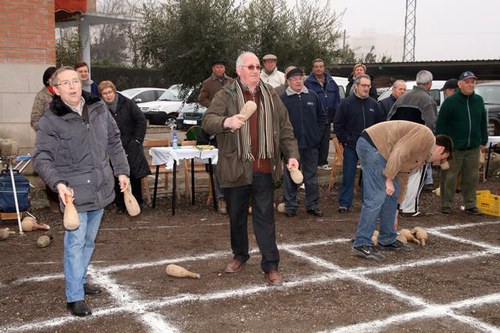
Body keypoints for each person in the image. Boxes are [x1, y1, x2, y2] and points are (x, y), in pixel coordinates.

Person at [33, 66, 130, 317]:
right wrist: (59, 184)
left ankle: (81, 278)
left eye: (75, 81)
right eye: (65, 83)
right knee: (75, 243)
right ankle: (74, 295)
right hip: (72, 192)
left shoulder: (98, 108)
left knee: (88, 240)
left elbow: (114, 140)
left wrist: (121, 171)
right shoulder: (50, 120)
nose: (73, 86)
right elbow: (42, 158)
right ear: (55, 89)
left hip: (100, 186)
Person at [203, 51, 299, 286]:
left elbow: (285, 129)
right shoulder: (226, 95)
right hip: (236, 167)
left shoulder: (272, 96)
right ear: (239, 70)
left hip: (264, 167)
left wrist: (292, 156)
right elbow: (208, 121)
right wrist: (226, 122)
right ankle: (240, 255)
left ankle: (271, 265)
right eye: (250, 67)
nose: (256, 70)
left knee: (265, 217)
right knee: (236, 217)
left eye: (257, 67)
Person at [352, 121, 452, 261]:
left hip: (384, 153)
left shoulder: (422, 157)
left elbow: (403, 177)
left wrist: (396, 210)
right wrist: (388, 178)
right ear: (440, 149)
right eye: (441, 158)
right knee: (377, 196)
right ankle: (361, 244)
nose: (437, 162)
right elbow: (400, 151)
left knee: (393, 192)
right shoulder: (426, 137)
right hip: (373, 145)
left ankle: (387, 239)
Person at [436, 71, 488, 215]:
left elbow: (483, 121)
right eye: (468, 82)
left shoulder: (478, 100)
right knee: (449, 176)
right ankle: (446, 205)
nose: (471, 84)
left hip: (473, 146)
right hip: (454, 148)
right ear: (460, 84)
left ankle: (470, 204)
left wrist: (483, 140)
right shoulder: (450, 102)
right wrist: (443, 145)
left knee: (471, 177)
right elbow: (441, 124)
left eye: (473, 82)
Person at [387, 70, 438, 216]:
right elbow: (431, 125)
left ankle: (398, 206)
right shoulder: (427, 100)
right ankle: (409, 208)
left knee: (400, 174)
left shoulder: (402, 98)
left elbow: (390, 118)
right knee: (416, 175)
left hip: (399, 142)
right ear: (429, 83)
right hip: (417, 145)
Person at [334, 74, 385, 213]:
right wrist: (345, 139)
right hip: (351, 146)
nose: (366, 88)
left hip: (370, 147)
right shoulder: (346, 103)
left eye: (368, 86)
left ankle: (368, 202)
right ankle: (345, 203)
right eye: (363, 85)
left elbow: (381, 125)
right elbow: (338, 124)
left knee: (369, 176)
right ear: (356, 86)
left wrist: (376, 142)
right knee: (348, 175)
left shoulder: (374, 104)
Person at [280, 67, 327, 217]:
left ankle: (312, 205)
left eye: (300, 78)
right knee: (290, 176)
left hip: (311, 145)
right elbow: (278, 123)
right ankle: (290, 205)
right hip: (291, 147)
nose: (297, 81)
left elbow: (322, 117)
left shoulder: (312, 96)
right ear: (288, 82)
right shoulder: (283, 99)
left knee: (311, 176)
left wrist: (317, 136)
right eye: (293, 79)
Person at [98, 80, 150, 213]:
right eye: (105, 93)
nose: (108, 96)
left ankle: (138, 201)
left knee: (134, 174)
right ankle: (120, 204)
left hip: (131, 144)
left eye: (110, 92)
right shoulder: (100, 108)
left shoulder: (127, 103)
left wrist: (137, 140)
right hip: (113, 145)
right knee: (116, 174)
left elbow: (141, 120)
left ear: (114, 91)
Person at [198, 60, 234, 213]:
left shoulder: (232, 81)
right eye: (217, 67)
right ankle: (221, 199)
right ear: (213, 68)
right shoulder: (207, 83)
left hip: (232, 122)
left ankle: (237, 199)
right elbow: (201, 98)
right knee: (217, 165)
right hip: (215, 123)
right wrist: (214, 105)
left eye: (222, 66)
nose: (220, 69)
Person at [30, 66, 60, 213]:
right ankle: (54, 201)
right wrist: (45, 132)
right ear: (48, 80)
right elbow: (34, 120)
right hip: (49, 141)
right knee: (51, 170)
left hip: (66, 140)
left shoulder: (64, 94)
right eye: (53, 77)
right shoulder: (41, 96)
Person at [305, 58, 341, 171]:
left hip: (327, 116)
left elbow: (337, 97)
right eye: (316, 67)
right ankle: (313, 163)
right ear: (313, 68)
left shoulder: (331, 81)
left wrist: (335, 110)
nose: (318, 69)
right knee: (314, 140)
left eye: (320, 66)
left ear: (324, 68)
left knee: (325, 140)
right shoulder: (308, 82)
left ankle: (323, 162)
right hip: (314, 116)